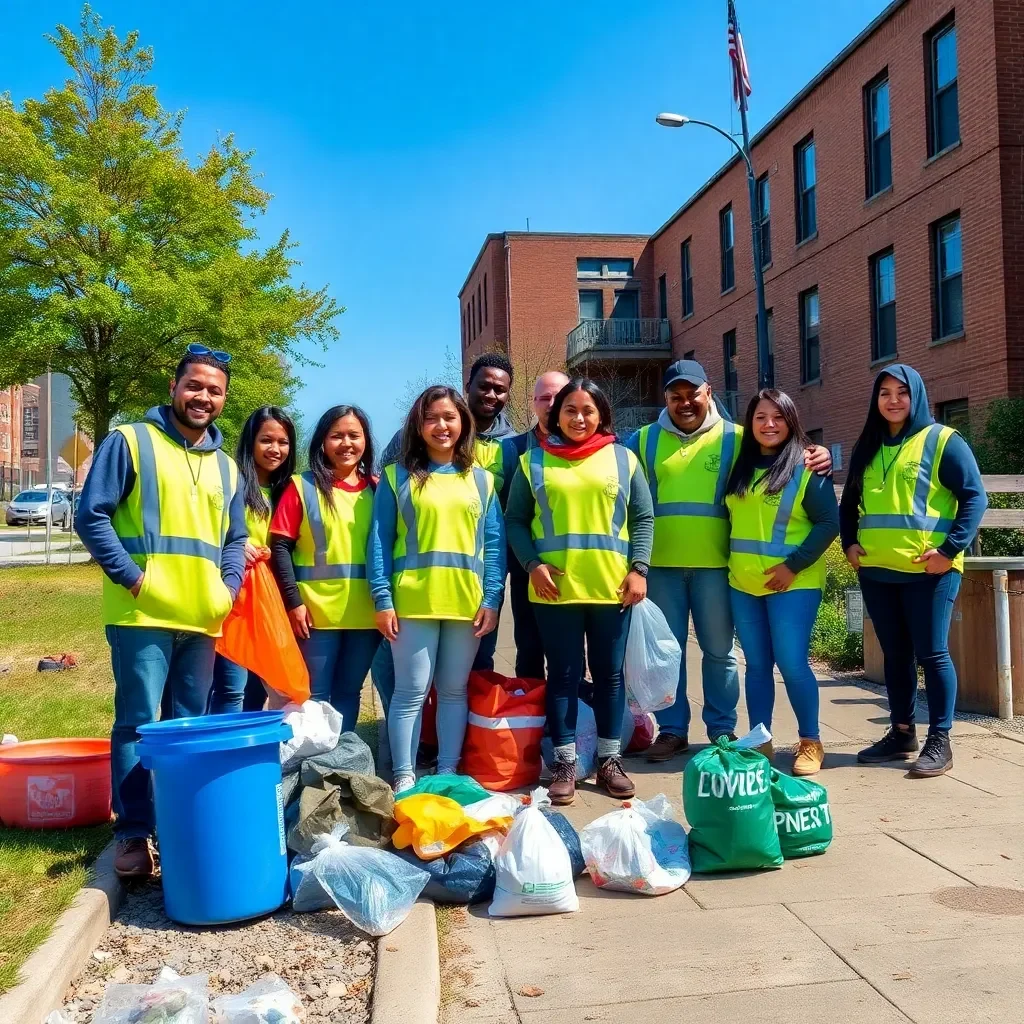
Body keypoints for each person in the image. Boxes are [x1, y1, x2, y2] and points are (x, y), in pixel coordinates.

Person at [77, 345, 247, 878]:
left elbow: (236, 537)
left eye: (215, 390)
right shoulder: (130, 442)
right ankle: (132, 834)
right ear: (174, 387)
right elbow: (92, 516)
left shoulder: (226, 467)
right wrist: (132, 578)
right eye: (195, 385)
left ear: (224, 399)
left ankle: (174, 830)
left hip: (202, 618)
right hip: (141, 616)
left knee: (187, 726)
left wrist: (229, 588)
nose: (204, 397)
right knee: (138, 724)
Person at [625, 359, 832, 761]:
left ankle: (722, 729)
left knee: (720, 653)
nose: (685, 403)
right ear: (665, 398)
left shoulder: (736, 438)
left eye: (693, 394)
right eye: (675, 396)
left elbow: (780, 449)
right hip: (662, 567)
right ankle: (672, 730)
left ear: (708, 393)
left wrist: (816, 452)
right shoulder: (643, 441)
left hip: (719, 568)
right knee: (670, 653)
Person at [505, 378, 654, 804]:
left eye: (588, 410)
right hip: (556, 592)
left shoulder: (624, 460)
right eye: (569, 410)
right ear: (556, 415)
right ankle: (566, 762)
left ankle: (609, 759)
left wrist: (639, 569)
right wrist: (532, 564)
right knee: (564, 676)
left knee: (610, 676)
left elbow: (643, 518)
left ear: (602, 415)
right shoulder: (534, 461)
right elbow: (515, 520)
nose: (579, 418)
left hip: (613, 589)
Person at [841, 365, 986, 778]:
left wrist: (949, 549)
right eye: (884, 393)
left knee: (932, 653)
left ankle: (940, 739)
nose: (892, 400)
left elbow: (975, 498)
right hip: (878, 572)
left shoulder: (943, 441)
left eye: (901, 392)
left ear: (916, 395)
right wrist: (848, 542)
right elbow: (848, 501)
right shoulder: (867, 444)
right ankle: (902, 732)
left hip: (930, 572)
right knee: (896, 655)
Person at [369, 385, 506, 793]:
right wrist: (382, 599)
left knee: (452, 691)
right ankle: (405, 776)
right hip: (412, 601)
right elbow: (378, 541)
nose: (441, 426)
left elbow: (494, 544)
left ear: (463, 423)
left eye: (449, 417)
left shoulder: (481, 481)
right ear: (418, 425)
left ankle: (447, 771)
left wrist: (492, 598)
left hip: (466, 604)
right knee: (410, 692)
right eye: (432, 418)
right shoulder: (396, 478)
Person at [372, 353, 515, 718]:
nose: (491, 394)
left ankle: (460, 751)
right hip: (413, 593)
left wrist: (493, 594)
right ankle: (405, 752)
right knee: (405, 683)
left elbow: (500, 524)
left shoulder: (511, 445)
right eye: (484, 386)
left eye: (500, 389)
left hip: (471, 590)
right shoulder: (409, 448)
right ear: (468, 387)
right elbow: (386, 493)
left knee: (465, 678)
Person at [724, 389, 839, 775]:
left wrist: (793, 565)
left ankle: (810, 741)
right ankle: (760, 739)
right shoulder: (739, 467)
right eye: (760, 417)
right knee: (756, 665)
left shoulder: (808, 466)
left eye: (777, 416)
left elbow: (828, 524)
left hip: (794, 583)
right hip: (744, 584)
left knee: (791, 663)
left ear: (791, 420)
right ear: (749, 423)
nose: (769, 424)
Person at [268, 406, 380, 732]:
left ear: (365, 442)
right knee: (313, 696)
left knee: (349, 692)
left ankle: (341, 764)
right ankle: (310, 766)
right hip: (315, 616)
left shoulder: (377, 488)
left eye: (354, 436)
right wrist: (293, 602)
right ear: (322, 442)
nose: (346, 443)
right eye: (337, 436)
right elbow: (280, 548)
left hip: (365, 616)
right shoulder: (300, 487)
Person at [208, 406, 296, 715]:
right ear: (250, 442)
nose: (275, 449)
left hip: (272, 606)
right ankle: (222, 756)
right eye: (266, 440)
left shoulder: (289, 489)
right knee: (231, 687)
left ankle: (248, 754)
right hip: (236, 601)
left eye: (283, 442)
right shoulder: (231, 482)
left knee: (262, 687)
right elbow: (208, 528)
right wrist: (234, 544)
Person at [501, 370, 570, 680]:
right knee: (528, 648)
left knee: (569, 656)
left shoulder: (597, 451)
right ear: (533, 404)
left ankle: (568, 724)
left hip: (574, 568)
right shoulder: (513, 450)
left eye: (559, 396)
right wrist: (529, 563)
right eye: (545, 398)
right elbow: (509, 514)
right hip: (527, 568)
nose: (552, 404)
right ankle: (529, 721)